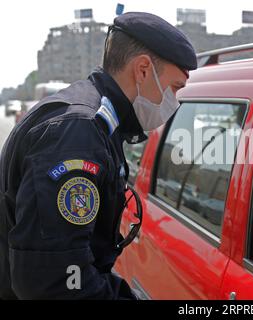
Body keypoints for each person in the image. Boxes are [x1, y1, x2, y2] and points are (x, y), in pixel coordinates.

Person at [0, 12, 197, 299]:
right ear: (142, 70)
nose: (174, 102)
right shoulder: (77, 134)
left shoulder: (96, 121)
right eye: (175, 87)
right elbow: (53, 283)